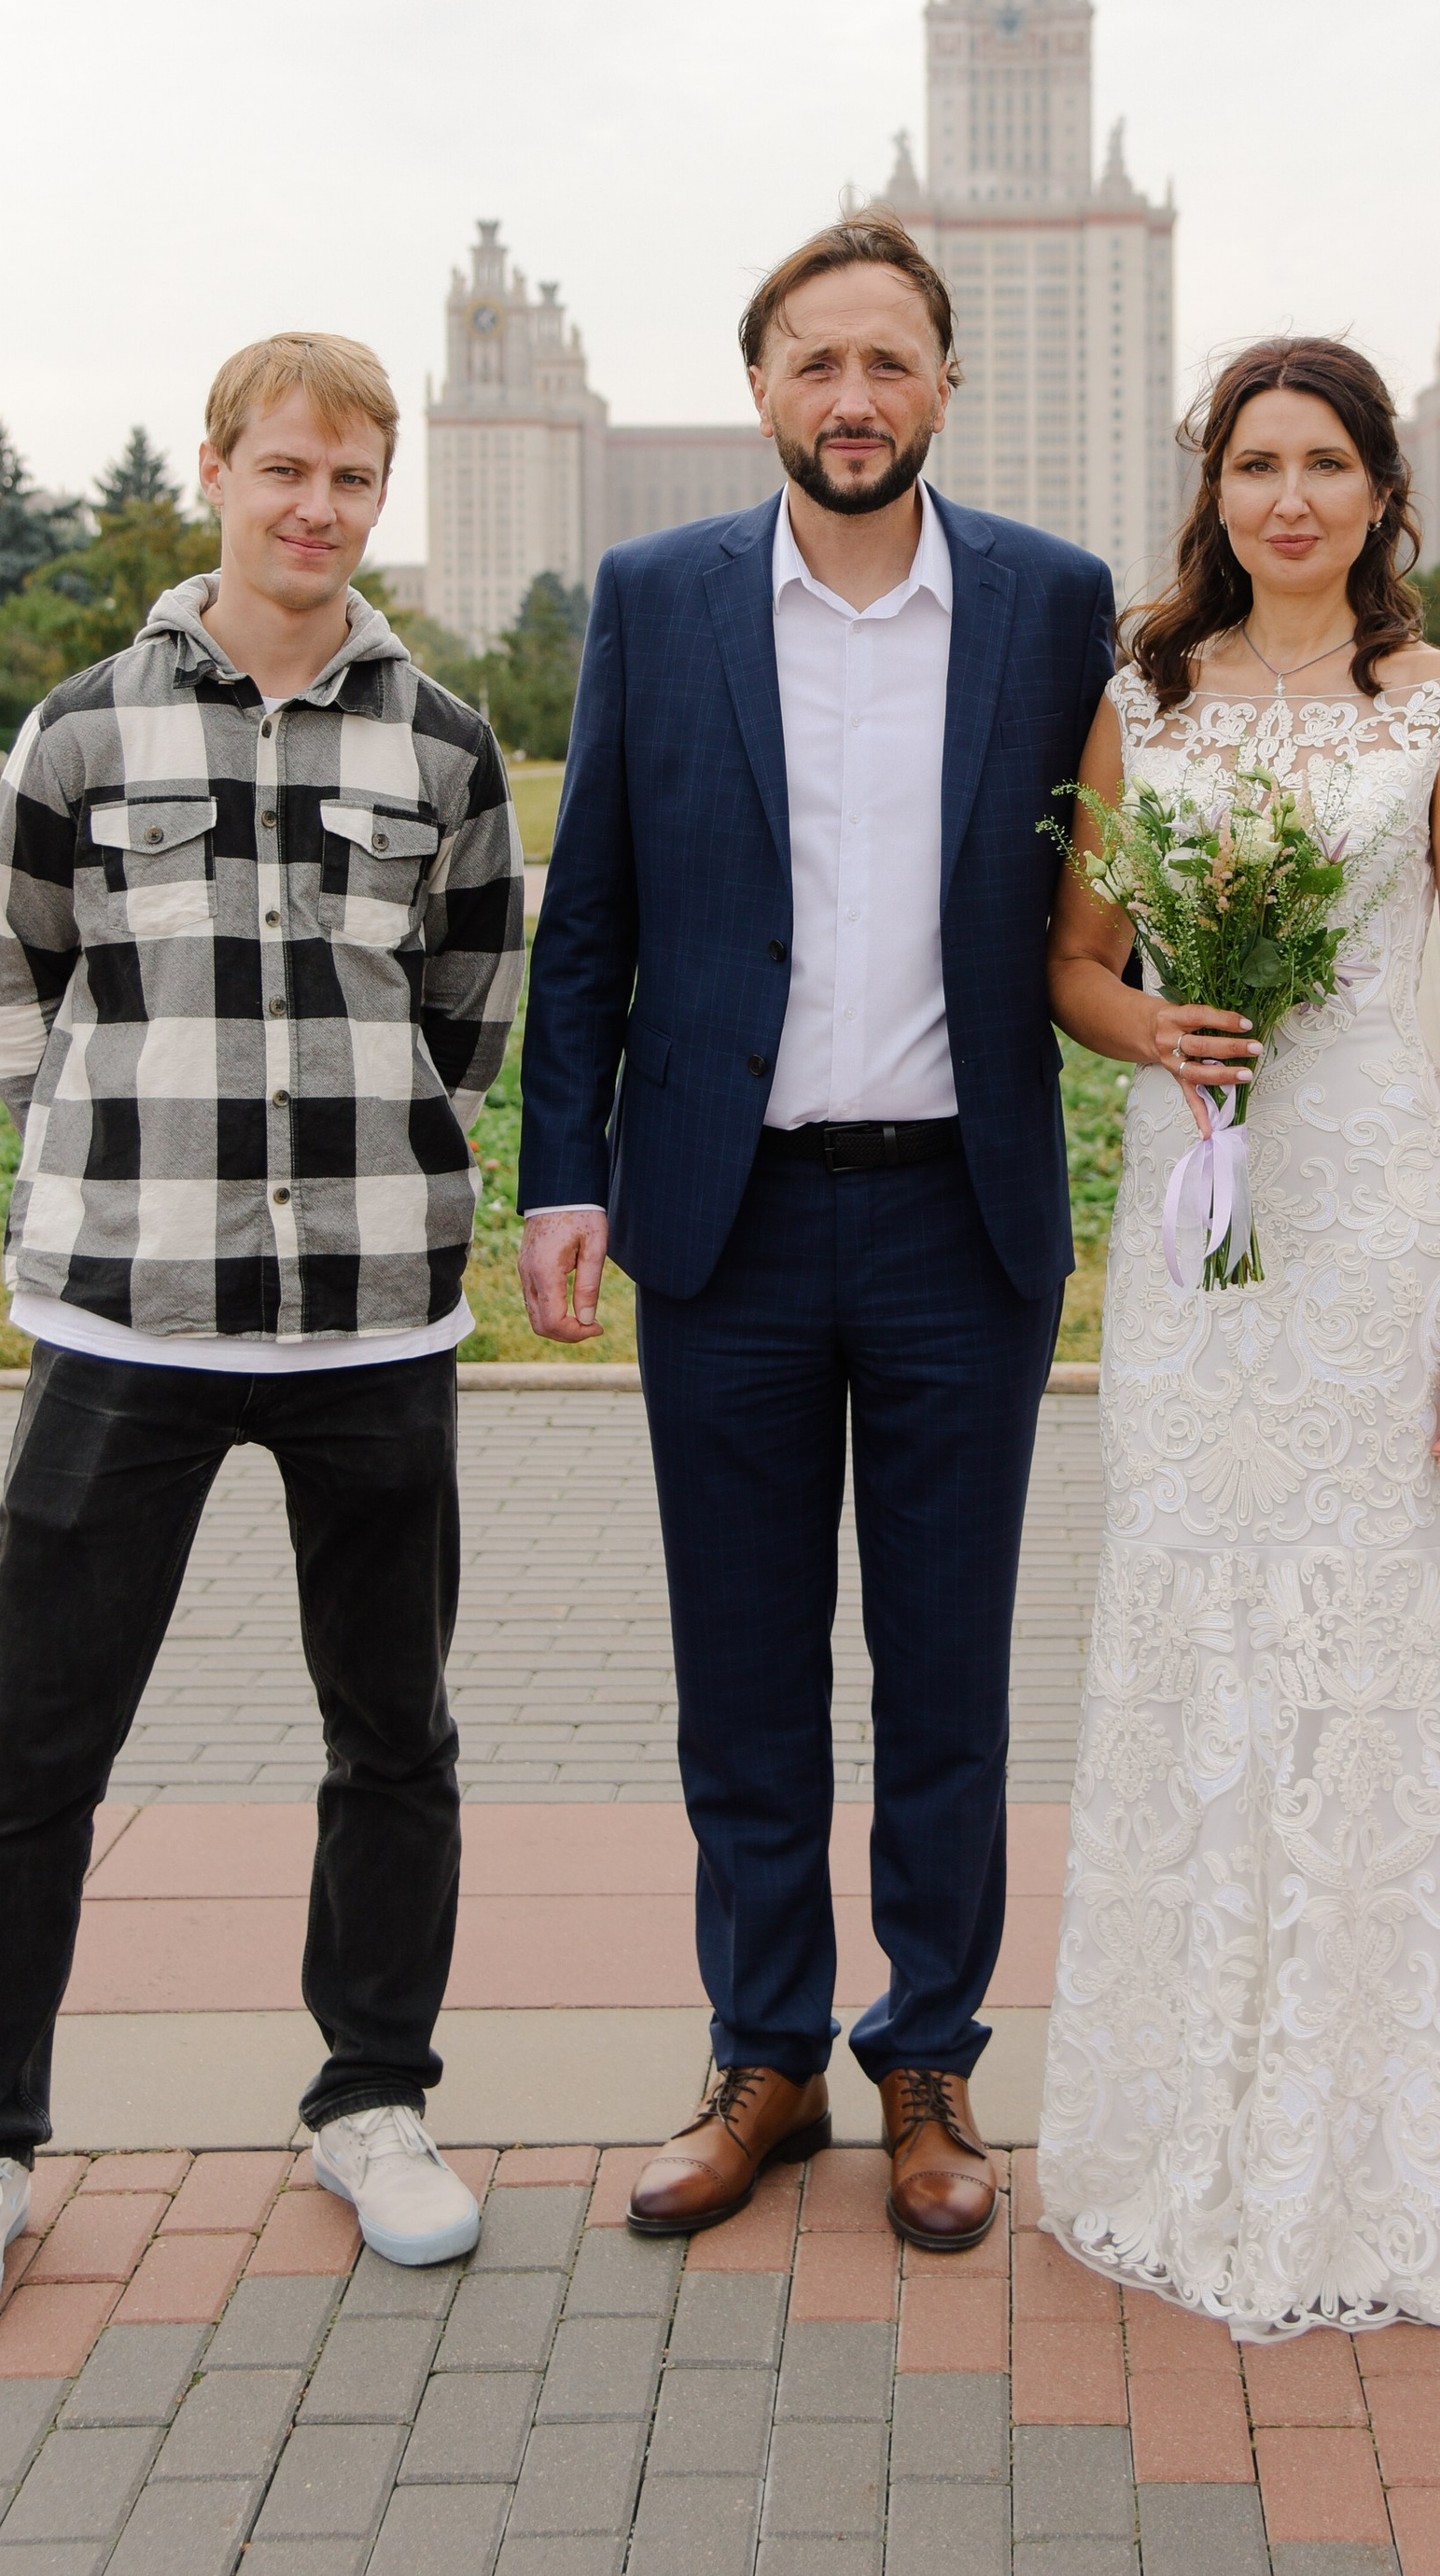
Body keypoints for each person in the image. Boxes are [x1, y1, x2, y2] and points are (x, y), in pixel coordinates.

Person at [0, 336, 524, 2339]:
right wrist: (120, 1153)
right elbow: (15, 989)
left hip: (372, 1320)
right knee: (33, 1747)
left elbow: (468, 1010)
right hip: (126, 1311)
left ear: (380, 495)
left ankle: (374, 2102)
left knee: (393, 1736)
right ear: (216, 473)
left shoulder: (445, 744)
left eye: (352, 478)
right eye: (285, 470)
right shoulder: (81, 730)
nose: (316, 508)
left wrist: (357, 1157)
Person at [518, 216, 1112, 2248]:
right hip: (727, 1219)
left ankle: (928, 2057)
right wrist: (565, 1171)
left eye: (887, 360)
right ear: (761, 386)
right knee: (746, 1675)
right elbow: (588, 916)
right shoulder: (657, 596)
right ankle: (760, 2052)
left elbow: (1107, 891)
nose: (852, 398)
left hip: (961, 1217)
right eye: (814, 362)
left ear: (945, 382)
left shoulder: (1051, 601)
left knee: (945, 1679)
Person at [1034, 339, 1440, 2339]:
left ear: (1382, 493)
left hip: (1380, 1238)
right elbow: (1076, 961)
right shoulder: (1139, 701)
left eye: (1327, 464)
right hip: (1200, 1229)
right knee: (1191, 1631)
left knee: (1365, 1664)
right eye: (1256, 464)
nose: (1290, 499)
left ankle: (1355, 2156)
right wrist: (1151, 1024)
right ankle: (1169, 2125)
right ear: (1213, 490)